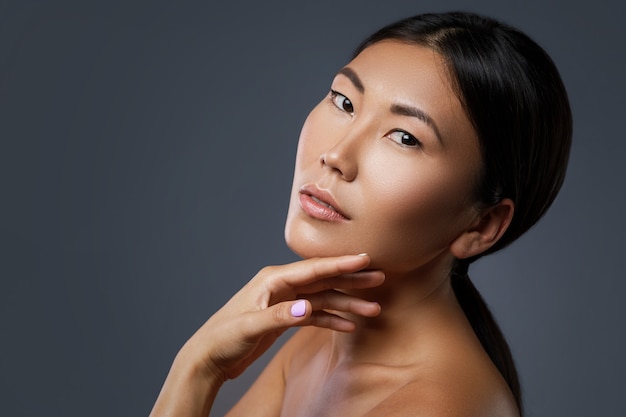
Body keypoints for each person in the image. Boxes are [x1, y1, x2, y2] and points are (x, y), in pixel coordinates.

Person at [150, 11, 571, 417]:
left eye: (405, 137)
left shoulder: (438, 407)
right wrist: (199, 363)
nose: (336, 156)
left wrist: (197, 369)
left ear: (482, 224)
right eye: (344, 101)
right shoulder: (321, 339)